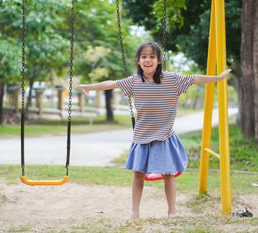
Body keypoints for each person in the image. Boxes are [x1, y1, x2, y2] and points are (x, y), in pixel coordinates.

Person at [76, 42, 231, 219]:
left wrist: (217, 78)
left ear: (158, 61)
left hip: (164, 135)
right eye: (144, 57)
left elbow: (194, 78)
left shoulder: (172, 79)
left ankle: (172, 212)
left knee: (168, 175)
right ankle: (135, 212)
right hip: (142, 135)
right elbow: (112, 83)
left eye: (152, 57)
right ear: (138, 61)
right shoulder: (134, 81)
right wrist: (90, 87)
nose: (147, 60)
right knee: (138, 175)